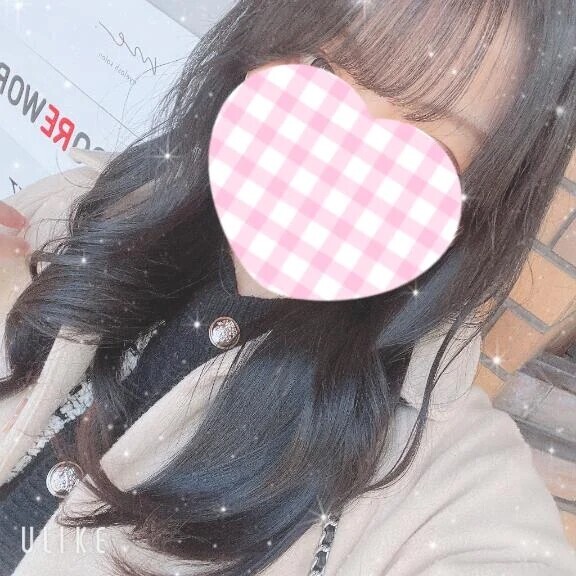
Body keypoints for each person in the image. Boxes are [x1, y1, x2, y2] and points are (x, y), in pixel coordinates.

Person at [1, 1, 576, 575]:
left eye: (424, 134)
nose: (335, 157)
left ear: (486, 188)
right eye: (323, 67)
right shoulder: (79, 210)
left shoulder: (438, 483)